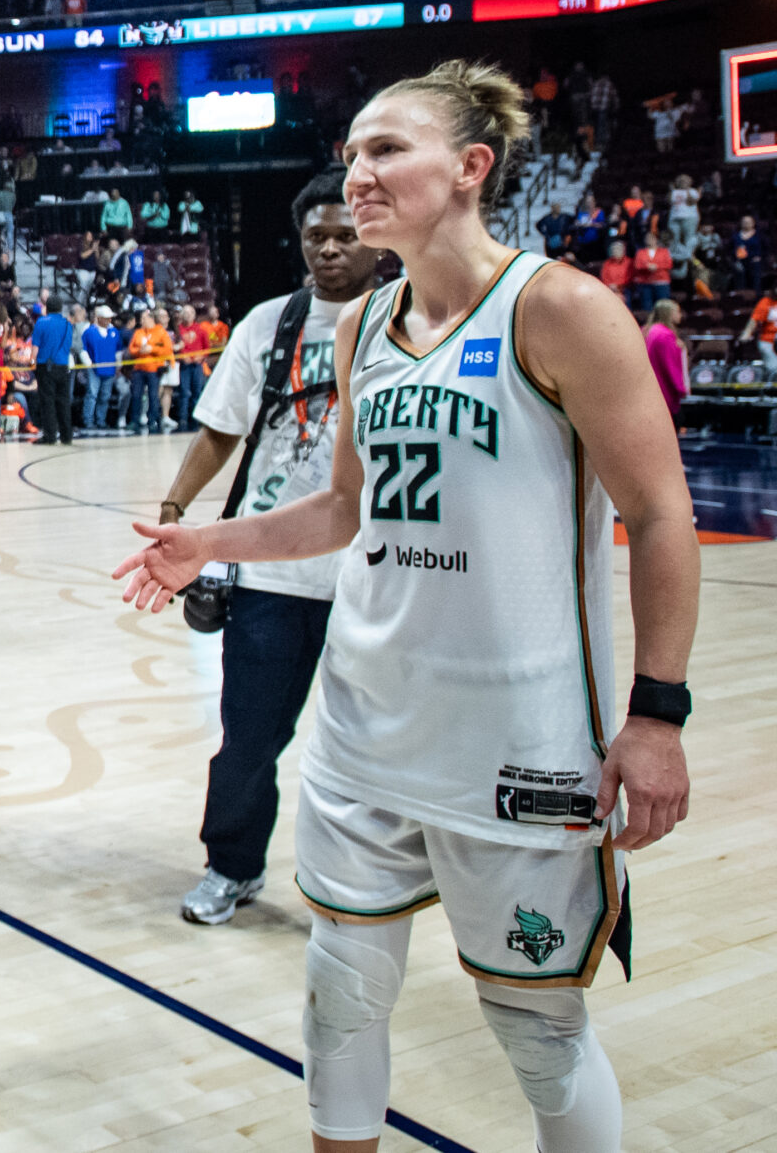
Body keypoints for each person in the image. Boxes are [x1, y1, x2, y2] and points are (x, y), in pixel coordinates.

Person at [116, 60, 696, 1153]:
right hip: (364, 725)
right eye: (351, 156)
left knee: (535, 1026)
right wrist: (210, 543)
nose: (357, 176)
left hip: (517, 745)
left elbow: (662, 519)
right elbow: (340, 508)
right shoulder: (363, 327)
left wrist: (657, 714)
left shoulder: (561, 309)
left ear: (471, 167)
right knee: (338, 995)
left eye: (386, 150)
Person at [148, 167, 379, 925]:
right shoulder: (268, 323)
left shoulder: (411, 322)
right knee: (247, 739)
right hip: (273, 570)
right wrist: (177, 505)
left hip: (380, 572)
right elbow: (221, 428)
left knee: (375, 744)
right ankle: (231, 866)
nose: (332, 249)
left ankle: (369, 881)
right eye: (318, 236)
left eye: (346, 235)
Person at [29, 295, 77, 444]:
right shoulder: (67, 324)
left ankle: (50, 436)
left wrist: (32, 360)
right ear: (61, 308)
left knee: (47, 402)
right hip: (63, 366)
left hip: (46, 366)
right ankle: (66, 436)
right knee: (63, 401)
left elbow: (35, 347)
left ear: (47, 307)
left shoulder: (41, 322)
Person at [126, 306, 174, 435]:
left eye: (144, 318)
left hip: (154, 369)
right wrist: (140, 351)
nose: (141, 320)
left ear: (151, 319)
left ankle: (153, 420)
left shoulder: (161, 332)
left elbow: (167, 350)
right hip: (139, 369)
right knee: (136, 395)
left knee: (153, 396)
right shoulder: (138, 332)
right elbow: (131, 350)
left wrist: (152, 349)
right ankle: (134, 420)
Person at [82, 303, 125, 430]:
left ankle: (101, 420)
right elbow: (83, 350)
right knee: (92, 395)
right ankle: (88, 420)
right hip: (94, 370)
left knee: (105, 396)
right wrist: (89, 364)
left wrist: (118, 365)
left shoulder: (114, 332)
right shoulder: (89, 332)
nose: (109, 320)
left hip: (110, 370)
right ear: (99, 318)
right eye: (106, 317)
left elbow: (118, 350)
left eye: (110, 318)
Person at [643, 299, 687, 420]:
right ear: (669, 313)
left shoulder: (647, 331)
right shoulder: (665, 335)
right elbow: (670, 366)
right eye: (677, 311)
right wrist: (681, 388)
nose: (680, 315)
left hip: (649, 393)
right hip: (665, 394)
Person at [172, 302, 210, 431]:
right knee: (184, 392)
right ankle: (183, 417)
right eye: (185, 313)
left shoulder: (201, 330)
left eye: (190, 313)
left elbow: (207, 348)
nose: (187, 315)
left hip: (197, 366)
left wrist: (201, 357)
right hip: (184, 366)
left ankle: (196, 417)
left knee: (197, 392)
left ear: (194, 315)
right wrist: (183, 357)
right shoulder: (179, 330)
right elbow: (175, 348)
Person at [629, 230, 671, 315]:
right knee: (647, 306)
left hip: (661, 281)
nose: (649, 240)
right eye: (647, 238)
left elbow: (668, 264)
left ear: (656, 239)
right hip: (645, 282)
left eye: (652, 238)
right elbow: (637, 265)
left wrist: (657, 266)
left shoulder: (664, 251)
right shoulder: (641, 252)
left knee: (663, 306)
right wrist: (647, 266)